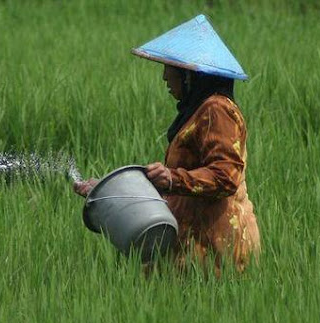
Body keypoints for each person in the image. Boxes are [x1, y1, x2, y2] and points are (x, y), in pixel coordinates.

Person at [73, 15, 260, 275]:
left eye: (169, 69)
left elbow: (225, 177)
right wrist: (107, 190)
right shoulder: (198, 111)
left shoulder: (217, 111)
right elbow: (180, 182)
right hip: (193, 246)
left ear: (189, 76)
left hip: (218, 252)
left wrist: (172, 178)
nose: (164, 78)